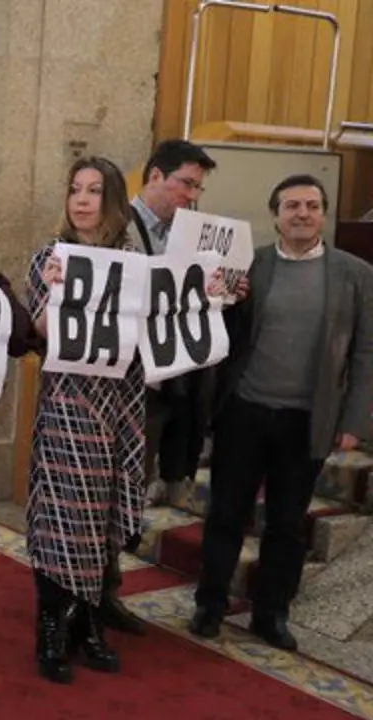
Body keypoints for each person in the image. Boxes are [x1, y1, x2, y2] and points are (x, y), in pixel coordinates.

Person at [190, 174, 373, 650]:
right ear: (275, 215)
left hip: (306, 420)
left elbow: (365, 354)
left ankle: (271, 613)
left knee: (287, 524)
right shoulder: (252, 266)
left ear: (324, 214)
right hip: (244, 413)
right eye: (291, 206)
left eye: (311, 205)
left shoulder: (356, 274)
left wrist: (354, 422)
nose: (302, 214)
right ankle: (210, 604)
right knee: (226, 513)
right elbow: (221, 332)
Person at [25, 157, 150, 684]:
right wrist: (53, 291)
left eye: (94, 190)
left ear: (113, 199)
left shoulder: (135, 262)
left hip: (119, 405)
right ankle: (51, 626)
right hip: (66, 406)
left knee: (100, 518)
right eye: (74, 188)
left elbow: (164, 325)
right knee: (60, 517)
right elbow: (37, 334)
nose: (81, 199)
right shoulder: (49, 257)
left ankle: (89, 620)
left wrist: (215, 292)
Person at [114, 138, 219, 636]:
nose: (191, 195)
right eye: (185, 183)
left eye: (197, 187)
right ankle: (86, 590)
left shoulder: (191, 237)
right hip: (119, 382)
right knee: (107, 490)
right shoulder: (116, 226)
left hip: (167, 385)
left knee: (133, 491)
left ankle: (107, 589)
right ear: (155, 175)